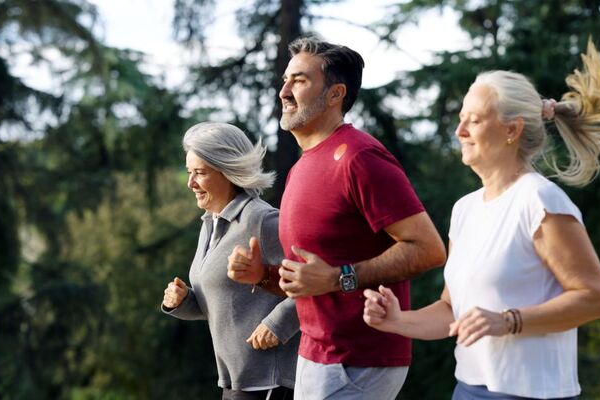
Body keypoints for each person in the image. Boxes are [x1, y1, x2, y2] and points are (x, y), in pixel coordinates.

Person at [363, 40, 600, 399]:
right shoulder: (464, 209)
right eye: (461, 119)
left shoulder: (540, 200)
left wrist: (509, 320)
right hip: (467, 390)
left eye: (474, 120)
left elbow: (594, 298)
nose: (460, 131)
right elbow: (452, 310)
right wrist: (397, 320)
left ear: (512, 130)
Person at [227, 37, 446, 399]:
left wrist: (337, 277)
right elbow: (313, 284)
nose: (284, 91)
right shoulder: (302, 168)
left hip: (359, 361)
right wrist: (263, 276)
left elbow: (428, 249)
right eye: (285, 80)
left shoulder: (359, 157)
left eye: (299, 80)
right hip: (315, 355)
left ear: (335, 94)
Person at [162, 122, 300, 400]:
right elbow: (223, 302)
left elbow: (316, 284)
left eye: (200, 173)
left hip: (269, 380)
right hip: (235, 380)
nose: (190, 183)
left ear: (228, 170)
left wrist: (277, 324)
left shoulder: (261, 219)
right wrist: (184, 300)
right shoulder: (210, 223)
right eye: (189, 172)